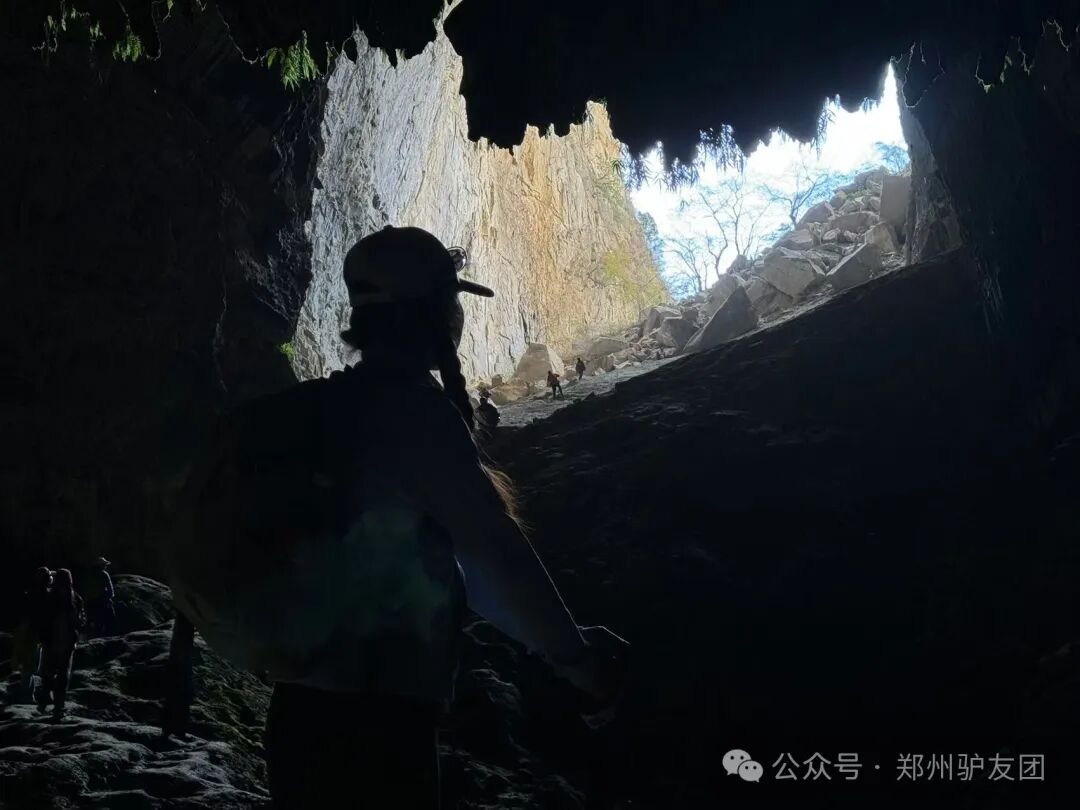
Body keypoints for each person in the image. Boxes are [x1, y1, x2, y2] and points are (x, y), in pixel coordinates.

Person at [161, 225, 626, 809]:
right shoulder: (412, 416)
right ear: (438, 313)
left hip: (298, 713)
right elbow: (493, 556)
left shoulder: (325, 411)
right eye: (454, 301)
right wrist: (577, 661)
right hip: (377, 728)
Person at [38, 568, 85, 720]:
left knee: (48, 670)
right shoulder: (75, 597)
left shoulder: (49, 597)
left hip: (50, 639)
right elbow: (81, 620)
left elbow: (42, 618)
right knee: (63, 673)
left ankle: (44, 700)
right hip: (68, 640)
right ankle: (59, 706)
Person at [11, 567, 52, 704]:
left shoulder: (30, 593)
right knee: (32, 666)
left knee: (30, 666)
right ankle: (27, 696)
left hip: (31, 632)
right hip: (38, 633)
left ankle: (28, 694)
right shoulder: (47, 595)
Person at [82, 556, 115, 637]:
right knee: (109, 619)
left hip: (90, 602)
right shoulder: (104, 574)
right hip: (101, 601)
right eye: (104, 565)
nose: (105, 566)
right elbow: (110, 589)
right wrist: (109, 598)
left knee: (95, 623)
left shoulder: (89, 575)